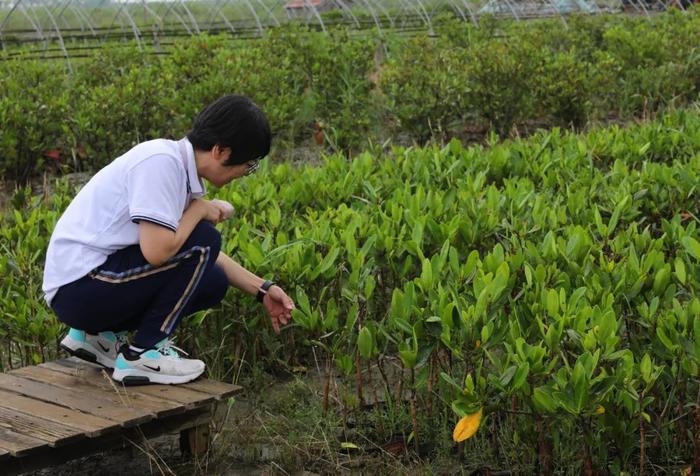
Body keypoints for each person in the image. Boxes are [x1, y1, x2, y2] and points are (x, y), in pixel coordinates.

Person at [42, 94, 295, 385]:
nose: (245, 173)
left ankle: (98, 338)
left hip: (86, 287)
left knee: (212, 281)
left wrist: (263, 289)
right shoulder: (160, 163)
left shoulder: (178, 168)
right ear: (221, 151)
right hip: (80, 289)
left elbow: (196, 255)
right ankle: (142, 355)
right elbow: (160, 252)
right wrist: (201, 210)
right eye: (249, 164)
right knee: (205, 239)